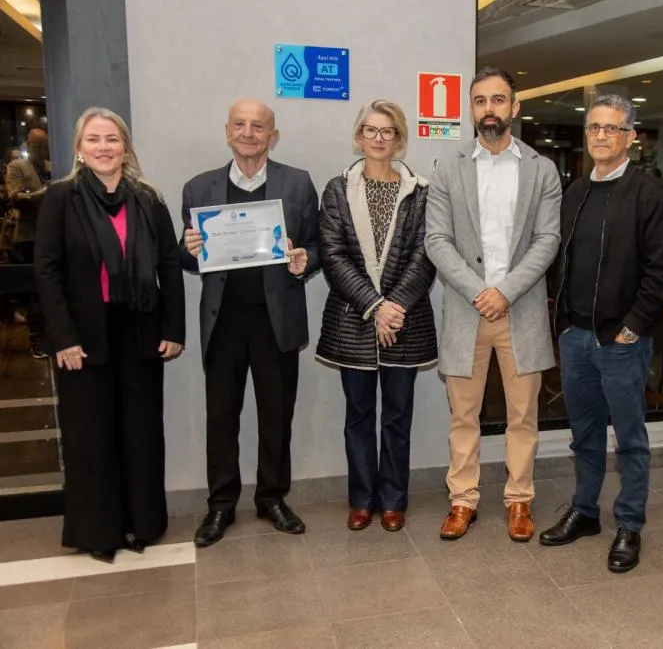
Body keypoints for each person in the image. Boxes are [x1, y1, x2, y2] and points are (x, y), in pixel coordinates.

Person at [33, 108, 185, 563]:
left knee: (140, 431)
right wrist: (62, 337)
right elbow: (47, 271)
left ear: (125, 147)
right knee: (89, 435)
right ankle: (98, 530)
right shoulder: (60, 199)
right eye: (94, 139)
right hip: (83, 334)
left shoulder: (149, 198)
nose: (104, 147)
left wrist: (173, 328)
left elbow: (170, 266)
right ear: (80, 148)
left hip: (140, 329)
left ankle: (143, 523)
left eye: (112, 139)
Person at [540, 94, 663, 573]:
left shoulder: (650, 195)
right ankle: (584, 511)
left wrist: (632, 329)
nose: (601, 135)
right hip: (576, 337)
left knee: (630, 439)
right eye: (594, 127)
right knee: (583, 436)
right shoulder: (575, 192)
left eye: (612, 128)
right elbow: (561, 263)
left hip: (621, 341)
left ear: (631, 137)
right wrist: (561, 324)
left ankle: (629, 525)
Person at [425, 67, 561, 542]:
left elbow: (547, 241)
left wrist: (505, 291)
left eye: (498, 101)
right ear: (471, 109)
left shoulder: (541, 169)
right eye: (480, 101)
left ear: (514, 108)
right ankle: (462, 500)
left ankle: (519, 500)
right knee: (464, 415)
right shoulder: (449, 169)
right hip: (466, 313)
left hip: (520, 311)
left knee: (523, 416)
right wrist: (479, 291)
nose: (489, 110)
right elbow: (437, 241)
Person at [180, 99, 319, 547]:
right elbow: (184, 256)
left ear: (272, 136)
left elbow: (318, 245)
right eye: (239, 124)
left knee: (277, 416)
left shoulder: (297, 184)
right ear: (227, 132)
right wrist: (189, 247)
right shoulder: (198, 189)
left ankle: (272, 497)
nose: (248, 133)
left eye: (258, 126)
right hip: (223, 323)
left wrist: (304, 259)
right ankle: (220, 505)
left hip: (275, 321)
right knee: (221, 417)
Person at [316, 100, 437, 532]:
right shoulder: (336, 189)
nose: (379, 139)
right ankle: (361, 499)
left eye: (387, 131)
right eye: (371, 130)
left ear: (399, 138)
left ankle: (393, 501)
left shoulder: (423, 191)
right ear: (359, 136)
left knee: (397, 417)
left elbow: (426, 256)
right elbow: (332, 256)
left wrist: (394, 308)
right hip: (354, 320)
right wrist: (374, 306)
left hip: (407, 321)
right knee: (359, 417)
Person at [5, 129, 52, 358]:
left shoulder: (51, 167)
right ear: (29, 144)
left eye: (45, 146)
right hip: (27, 237)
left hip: (52, 235)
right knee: (34, 292)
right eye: (38, 146)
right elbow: (14, 196)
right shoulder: (17, 168)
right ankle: (38, 341)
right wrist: (42, 193)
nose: (41, 150)